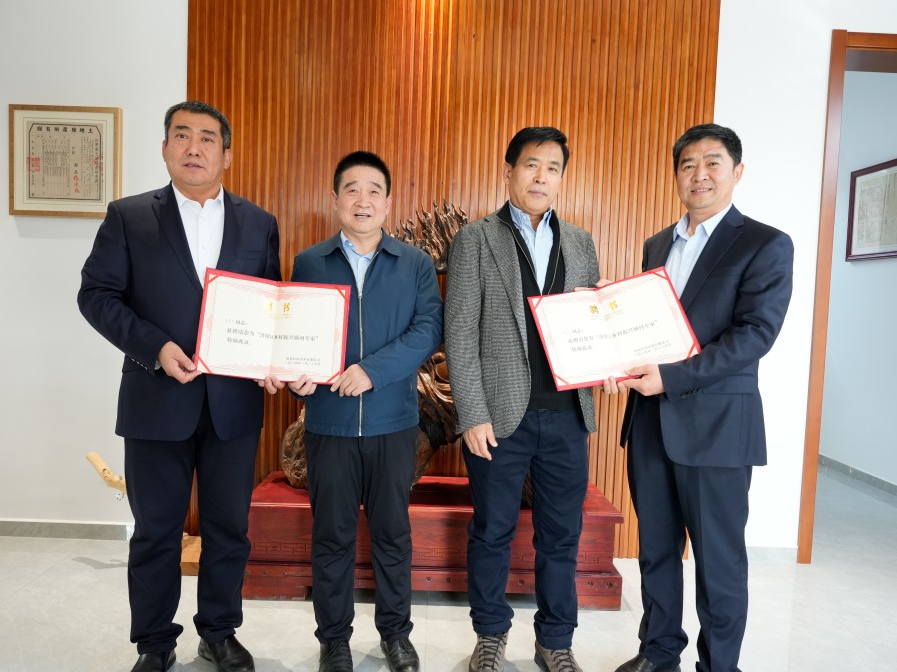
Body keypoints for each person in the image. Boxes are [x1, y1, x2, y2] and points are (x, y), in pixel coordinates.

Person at [78, 100, 281, 672]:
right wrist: (156, 348)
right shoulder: (129, 216)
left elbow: (270, 306)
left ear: (227, 155)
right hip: (155, 400)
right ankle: (155, 643)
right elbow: (95, 296)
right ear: (165, 148)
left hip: (233, 404)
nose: (195, 148)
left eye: (208, 138)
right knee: (156, 532)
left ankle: (219, 631)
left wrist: (270, 357)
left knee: (228, 529)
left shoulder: (259, 223)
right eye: (182, 136)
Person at [605, 123, 793, 672]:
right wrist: (615, 360)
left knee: (719, 563)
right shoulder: (657, 244)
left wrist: (671, 377)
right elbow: (646, 328)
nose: (700, 174)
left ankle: (719, 665)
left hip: (717, 430)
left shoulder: (764, 243)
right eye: (688, 164)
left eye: (713, 163)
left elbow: (754, 335)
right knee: (656, 551)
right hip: (650, 424)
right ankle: (659, 652)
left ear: (737, 172)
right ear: (677, 175)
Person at [445, 127, 600, 672]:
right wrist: (471, 413)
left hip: (568, 417)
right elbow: (460, 334)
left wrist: (608, 363)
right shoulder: (475, 239)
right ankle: (490, 635)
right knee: (492, 532)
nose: (541, 176)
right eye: (531, 164)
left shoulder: (580, 242)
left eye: (553, 167)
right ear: (509, 171)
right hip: (498, 419)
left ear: (561, 177)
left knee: (562, 536)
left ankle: (555, 641)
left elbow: (591, 325)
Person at [280, 151, 442, 672]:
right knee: (331, 537)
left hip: (394, 424)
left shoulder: (414, 263)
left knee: (393, 536)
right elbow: (295, 333)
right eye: (352, 189)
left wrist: (372, 371)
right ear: (335, 200)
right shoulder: (310, 262)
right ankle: (334, 640)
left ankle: (396, 635)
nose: (363, 200)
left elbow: (427, 329)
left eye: (374, 190)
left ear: (388, 203)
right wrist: (296, 376)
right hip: (328, 424)